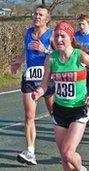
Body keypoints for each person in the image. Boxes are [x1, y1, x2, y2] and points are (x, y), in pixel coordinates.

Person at [32, 21, 89, 171]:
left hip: (78, 110)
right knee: (65, 158)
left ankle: (81, 169)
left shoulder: (80, 56)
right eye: (56, 36)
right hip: (59, 110)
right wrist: (38, 92)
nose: (59, 39)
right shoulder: (51, 59)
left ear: (71, 38)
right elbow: (44, 85)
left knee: (68, 153)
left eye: (63, 36)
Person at [10, 5, 55, 165]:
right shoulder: (28, 32)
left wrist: (45, 50)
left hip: (47, 79)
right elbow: (26, 50)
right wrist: (18, 61)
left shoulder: (52, 35)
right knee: (29, 116)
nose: (37, 16)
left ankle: (67, 142)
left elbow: (60, 55)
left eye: (41, 14)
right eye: (35, 13)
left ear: (47, 19)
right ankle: (30, 152)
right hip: (29, 78)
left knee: (55, 115)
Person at [75, 14, 89, 128]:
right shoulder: (75, 36)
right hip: (80, 68)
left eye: (83, 24)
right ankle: (80, 115)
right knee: (80, 93)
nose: (81, 26)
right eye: (80, 24)